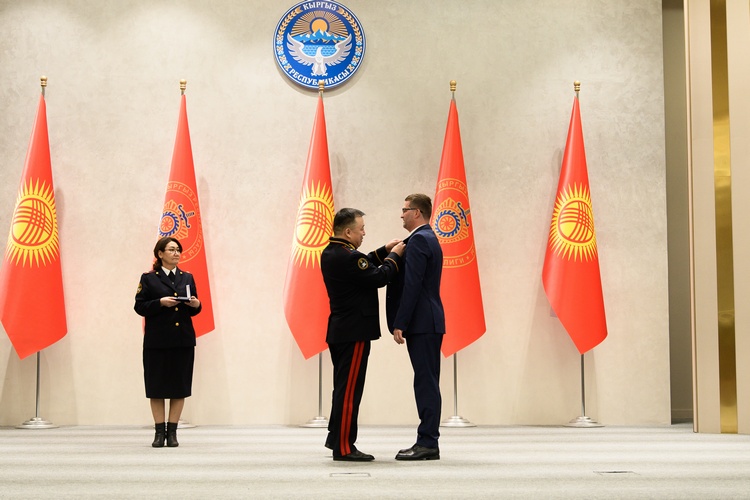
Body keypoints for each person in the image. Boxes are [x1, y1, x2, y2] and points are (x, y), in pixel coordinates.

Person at [321, 208, 405, 461]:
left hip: (341, 330)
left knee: (342, 388)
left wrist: (382, 251)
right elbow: (379, 277)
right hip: (354, 331)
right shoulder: (348, 257)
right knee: (349, 392)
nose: (364, 233)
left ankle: (336, 438)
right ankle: (344, 448)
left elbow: (363, 264)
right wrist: (394, 256)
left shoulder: (332, 252)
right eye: (361, 229)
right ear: (348, 232)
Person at [386, 194, 446, 461]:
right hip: (427, 321)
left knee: (426, 382)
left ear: (417, 212)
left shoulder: (420, 239)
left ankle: (428, 443)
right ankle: (427, 440)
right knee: (426, 380)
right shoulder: (426, 237)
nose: (401, 214)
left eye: (405, 209)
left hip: (422, 322)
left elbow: (413, 284)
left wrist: (401, 321)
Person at [134, 236, 202, 448]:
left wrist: (196, 305)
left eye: (178, 250)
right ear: (160, 253)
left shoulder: (187, 277)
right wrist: (159, 303)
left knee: (179, 387)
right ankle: (158, 432)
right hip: (157, 341)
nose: (176, 253)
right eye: (171, 249)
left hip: (182, 340)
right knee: (156, 388)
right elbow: (139, 307)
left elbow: (195, 307)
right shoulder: (149, 278)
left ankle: (172, 433)